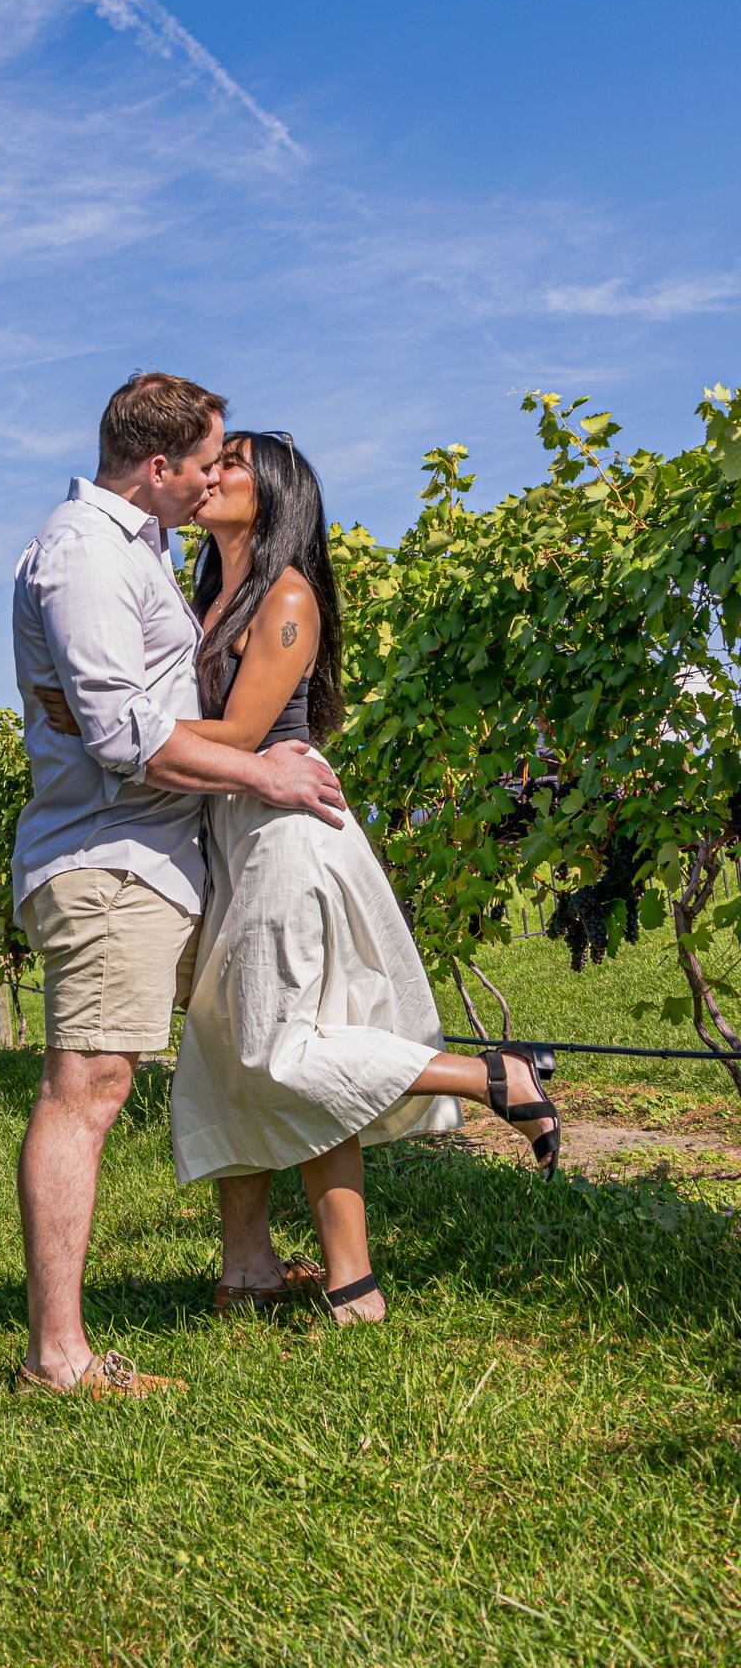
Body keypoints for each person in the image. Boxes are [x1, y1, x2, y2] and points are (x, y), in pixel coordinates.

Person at [168, 431, 562, 1326]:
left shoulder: (287, 593)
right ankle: (307, 1279)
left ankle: (492, 1076)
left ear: (269, 491)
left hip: (281, 833)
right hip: (234, 834)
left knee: (280, 1048)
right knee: (239, 1052)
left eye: (229, 462)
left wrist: (110, 725)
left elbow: (237, 738)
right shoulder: (210, 595)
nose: (209, 473)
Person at [11, 374, 348, 1397]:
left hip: (169, 857)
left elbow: (136, 703)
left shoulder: (141, 549)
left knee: (239, 1047)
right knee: (90, 1087)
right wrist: (260, 767)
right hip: (111, 858)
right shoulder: (82, 554)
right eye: (205, 462)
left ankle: (248, 1265)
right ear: (157, 467)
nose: (212, 481)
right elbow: (123, 737)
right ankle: (59, 1356)